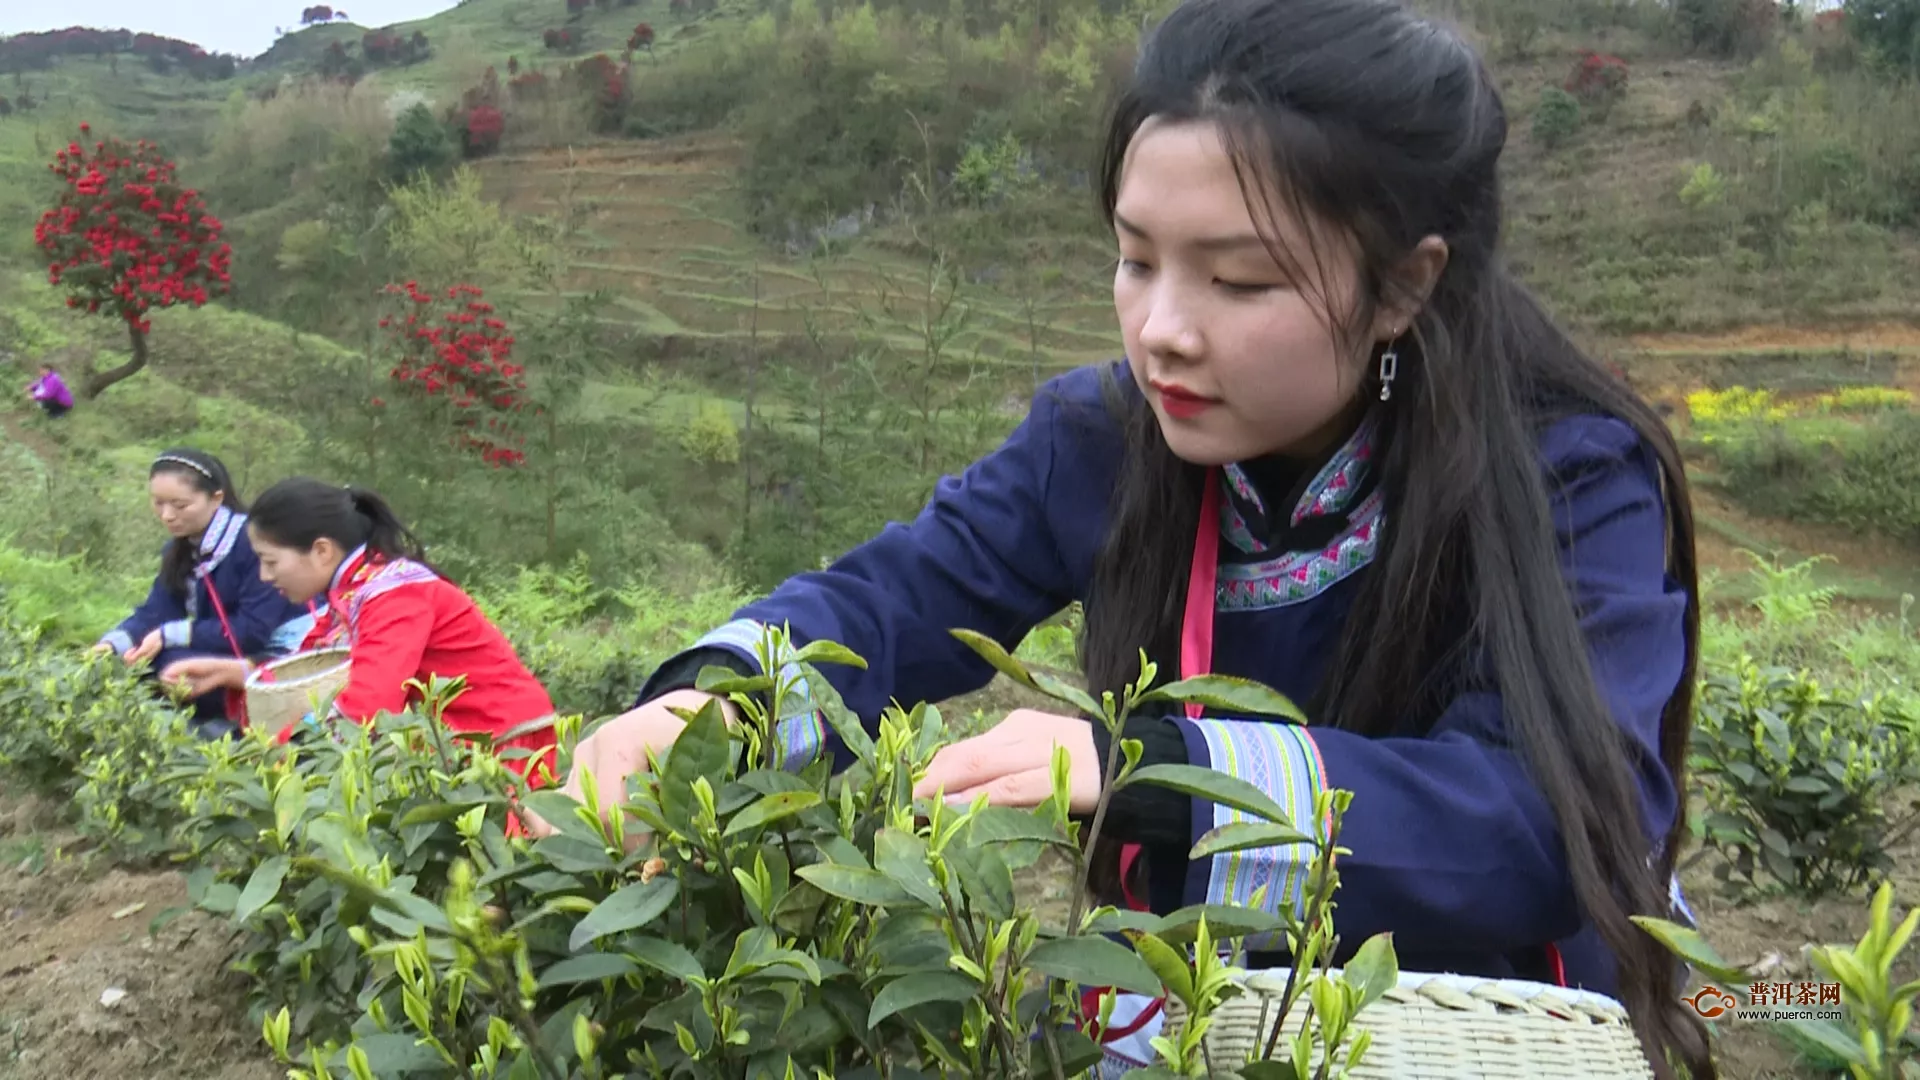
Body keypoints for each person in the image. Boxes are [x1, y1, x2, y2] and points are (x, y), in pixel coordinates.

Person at [531, 0, 1710, 1074]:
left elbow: (1550, 824)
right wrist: (721, 703)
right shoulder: (1097, 441)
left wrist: (1153, 773)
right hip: (1204, 1009)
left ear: (1404, 284)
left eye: (1238, 283)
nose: (1161, 333)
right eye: (1135, 259)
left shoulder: (1570, 476)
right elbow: (891, 601)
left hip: (1487, 1026)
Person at [159, 478, 560, 785]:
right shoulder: (355, 590)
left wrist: (273, 752)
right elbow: (311, 668)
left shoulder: (393, 593)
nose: (265, 576)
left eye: (270, 561)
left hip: (501, 741)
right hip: (457, 740)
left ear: (321, 551)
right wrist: (234, 673)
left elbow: (368, 705)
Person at [95, 449, 309, 739]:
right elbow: (157, 612)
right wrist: (111, 646)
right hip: (233, 652)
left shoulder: (253, 544)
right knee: (144, 665)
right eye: (158, 503)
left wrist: (169, 633)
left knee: (168, 666)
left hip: (280, 656)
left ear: (216, 498)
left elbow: (252, 631)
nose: (167, 515)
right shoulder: (180, 549)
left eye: (180, 505)